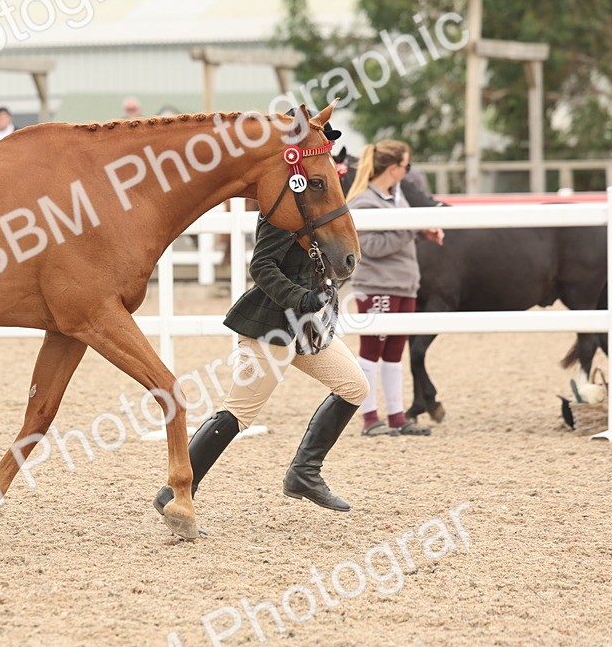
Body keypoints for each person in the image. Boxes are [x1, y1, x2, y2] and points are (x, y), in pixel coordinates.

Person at [152, 210, 371, 516]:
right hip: (270, 325)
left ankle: (304, 474)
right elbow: (261, 266)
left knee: (354, 386)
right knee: (238, 413)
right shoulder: (281, 213)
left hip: (304, 326)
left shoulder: (318, 211)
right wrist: (300, 297)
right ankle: (173, 493)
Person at [344, 140, 444, 437]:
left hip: (402, 285)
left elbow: (396, 239)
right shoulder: (364, 202)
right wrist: (412, 229)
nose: (408, 172)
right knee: (372, 351)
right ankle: (370, 417)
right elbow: (371, 246)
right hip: (378, 286)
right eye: (407, 166)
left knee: (394, 353)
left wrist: (419, 233)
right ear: (393, 168)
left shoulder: (394, 199)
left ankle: (397, 416)